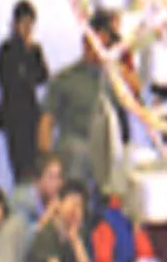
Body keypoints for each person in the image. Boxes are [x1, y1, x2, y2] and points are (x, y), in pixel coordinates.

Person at [38, 13, 121, 204]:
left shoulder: (114, 81)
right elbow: (46, 121)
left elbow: (136, 94)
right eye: (95, 44)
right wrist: (46, 161)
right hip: (75, 147)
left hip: (107, 149)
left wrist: (119, 64)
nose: (98, 51)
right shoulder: (65, 79)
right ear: (85, 44)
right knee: (79, 153)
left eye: (104, 45)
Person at [24, 181, 103, 262]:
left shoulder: (78, 231)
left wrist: (76, 241)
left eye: (79, 205)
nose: (74, 209)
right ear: (59, 204)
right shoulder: (48, 232)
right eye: (71, 202)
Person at [0, 0, 48, 186]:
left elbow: (43, 76)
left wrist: (28, 58)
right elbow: (5, 79)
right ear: (15, 24)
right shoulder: (6, 49)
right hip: (12, 114)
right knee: (18, 164)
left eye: (30, 24)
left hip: (31, 113)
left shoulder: (35, 49)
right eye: (23, 23)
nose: (27, 28)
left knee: (35, 164)